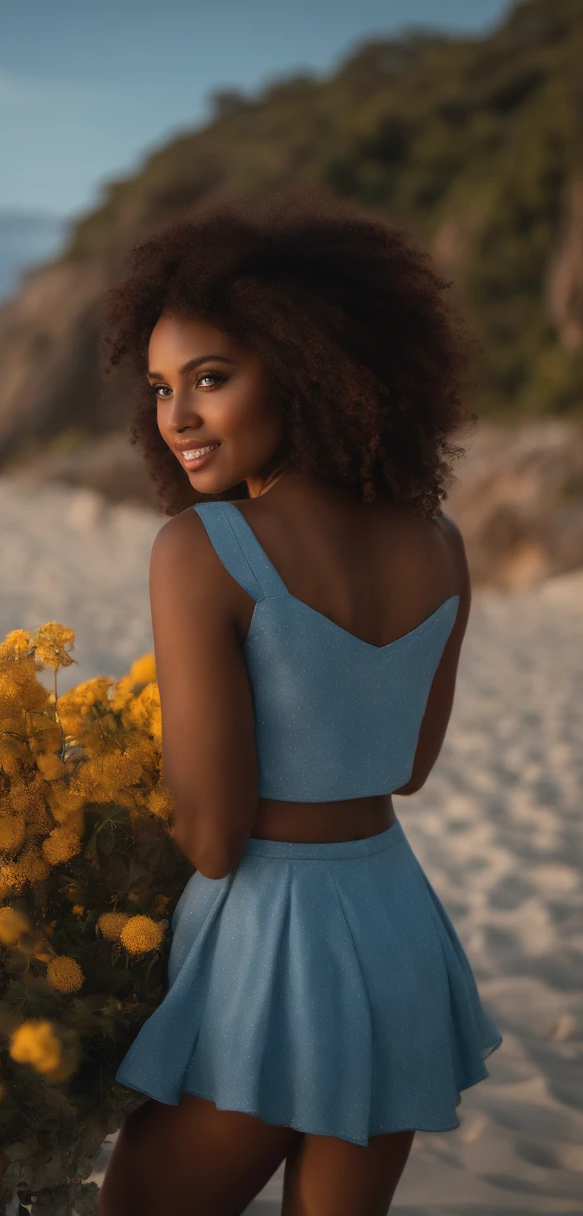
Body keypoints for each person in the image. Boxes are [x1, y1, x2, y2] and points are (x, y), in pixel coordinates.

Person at [95, 188, 503, 1216]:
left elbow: (215, 835)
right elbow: (405, 764)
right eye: (157, 388)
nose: (175, 418)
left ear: (307, 365)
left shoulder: (202, 551)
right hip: (395, 922)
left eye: (210, 379)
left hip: (268, 945)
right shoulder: (440, 543)